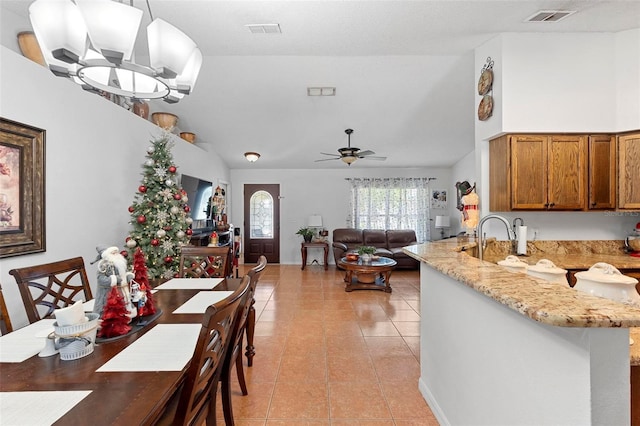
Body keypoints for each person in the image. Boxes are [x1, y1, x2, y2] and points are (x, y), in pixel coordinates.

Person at [91, 245, 136, 319]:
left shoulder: (119, 264)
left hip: (122, 291)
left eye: (116, 253)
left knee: (123, 302)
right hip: (107, 294)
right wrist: (114, 279)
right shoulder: (104, 266)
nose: (116, 255)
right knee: (110, 308)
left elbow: (122, 277)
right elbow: (100, 279)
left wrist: (128, 277)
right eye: (113, 253)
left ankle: (125, 313)